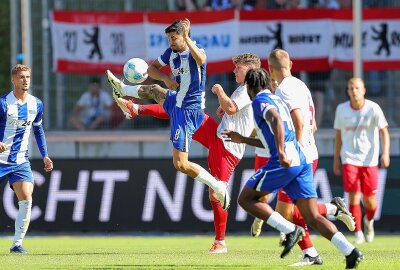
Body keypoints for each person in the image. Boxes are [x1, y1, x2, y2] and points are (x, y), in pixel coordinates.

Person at [111, 53, 260, 253]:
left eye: (238, 68)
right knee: (185, 110)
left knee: (216, 193)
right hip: (220, 135)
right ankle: (135, 108)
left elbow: (232, 108)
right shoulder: (246, 88)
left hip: (227, 148)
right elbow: (237, 112)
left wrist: (220, 92)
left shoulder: (246, 89)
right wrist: (226, 109)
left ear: (250, 69)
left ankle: (221, 242)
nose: (234, 71)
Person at [224, 68, 363, 268]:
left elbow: (276, 120)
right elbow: (271, 136)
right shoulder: (277, 100)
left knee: (246, 199)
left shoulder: (259, 101)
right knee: (312, 216)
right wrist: (242, 139)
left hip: (285, 161)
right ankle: (351, 252)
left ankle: (290, 230)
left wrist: (280, 153)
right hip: (301, 159)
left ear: (250, 87)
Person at [106, 19, 230, 211]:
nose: (171, 42)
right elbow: (151, 69)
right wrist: (165, 78)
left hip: (188, 111)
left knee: (180, 164)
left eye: (174, 38)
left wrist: (188, 38)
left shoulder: (194, 51)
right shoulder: (170, 53)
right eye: (169, 38)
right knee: (155, 89)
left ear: (184, 36)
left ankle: (217, 185)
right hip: (177, 100)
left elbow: (202, 60)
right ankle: (122, 89)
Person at [251, 49, 355, 266]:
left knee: (285, 213)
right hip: (308, 153)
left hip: (299, 158)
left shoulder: (284, 90)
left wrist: (292, 151)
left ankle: (326, 224)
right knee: (290, 212)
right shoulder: (301, 85)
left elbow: (299, 122)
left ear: (269, 69)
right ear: (291, 63)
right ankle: (317, 243)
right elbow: (313, 125)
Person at [0, 64, 53, 253]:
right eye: (21, 77)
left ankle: (17, 244)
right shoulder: (3, 103)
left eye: (28, 77)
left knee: (26, 198)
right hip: (0, 159)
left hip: (20, 161)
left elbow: (38, 130)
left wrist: (45, 155)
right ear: (13, 80)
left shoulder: (36, 104)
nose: (25, 80)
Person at [333, 77, 390, 244]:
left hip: (370, 160)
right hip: (349, 158)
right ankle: (357, 231)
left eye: (357, 88)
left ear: (364, 90)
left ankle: (368, 221)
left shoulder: (373, 108)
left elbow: (384, 132)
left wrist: (385, 153)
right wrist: (336, 158)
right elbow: (338, 136)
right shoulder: (341, 109)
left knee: (370, 202)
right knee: (353, 196)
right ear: (348, 91)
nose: (354, 91)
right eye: (351, 88)